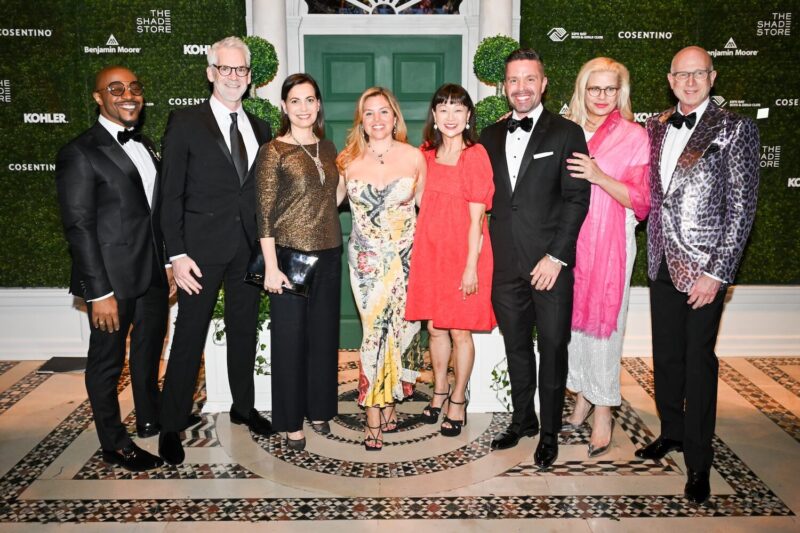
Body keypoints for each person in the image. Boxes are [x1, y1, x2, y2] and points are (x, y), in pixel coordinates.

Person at [637, 46, 759, 504]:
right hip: (661, 261)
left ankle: (699, 462)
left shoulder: (736, 128)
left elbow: (743, 209)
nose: (689, 82)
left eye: (698, 74)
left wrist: (718, 272)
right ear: (671, 80)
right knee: (665, 356)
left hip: (706, 267)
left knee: (698, 362)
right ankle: (671, 432)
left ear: (712, 76)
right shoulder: (654, 125)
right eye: (681, 75)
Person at [158, 36, 273, 465]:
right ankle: (171, 424)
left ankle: (243, 408)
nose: (234, 77)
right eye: (226, 69)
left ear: (249, 76)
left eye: (241, 70)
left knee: (245, 330)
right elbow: (168, 195)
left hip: (246, 250)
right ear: (210, 73)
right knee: (189, 336)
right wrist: (177, 254)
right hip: (199, 255)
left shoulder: (259, 127)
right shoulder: (186, 123)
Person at [55, 66, 172, 471]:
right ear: (98, 97)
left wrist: (168, 262)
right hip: (110, 281)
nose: (129, 95)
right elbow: (79, 227)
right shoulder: (80, 151)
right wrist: (97, 291)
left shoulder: (146, 144)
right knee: (107, 363)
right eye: (116, 89)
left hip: (153, 273)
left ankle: (151, 416)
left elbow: (154, 214)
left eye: (135, 88)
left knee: (148, 350)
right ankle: (114, 442)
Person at [478, 49, 590, 468]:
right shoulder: (488, 136)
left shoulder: (567, 133)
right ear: (503, 86)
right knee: (517, 347)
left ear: (543, 84)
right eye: (513, 80)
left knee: (554, 348)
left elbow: (578, 200)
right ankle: (523, 419)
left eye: (529, 80)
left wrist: (556, 257)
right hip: (505, 265)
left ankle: (548, 433)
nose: (521, 88)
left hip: (550, 266)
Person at [560, 58, 650, 457]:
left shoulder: (634, 136)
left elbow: (642, 201)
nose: (601, 97)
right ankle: (581, 394)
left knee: (606, 326)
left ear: (621, 93)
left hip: (610, 242)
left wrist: (598, 175)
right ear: (582, 90)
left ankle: (604, 408)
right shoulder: (566, 131)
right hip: (568, 241)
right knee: (573, 325)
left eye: (609, 89)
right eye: (594, 89)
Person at [256, 73, 345, 451]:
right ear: (284, 106)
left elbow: (334, 196)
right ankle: (291, 421)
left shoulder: (327, 147)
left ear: (319, 105)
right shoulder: (273, 151)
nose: (304, 108)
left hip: (329, 252)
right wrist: (271, 267)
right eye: (296, 100)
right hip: (289, 257)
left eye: (310, 100)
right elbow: (263, 213)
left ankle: (319, 409)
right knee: (291, 342)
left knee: (324, 339)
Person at [336, 87, 426, 451]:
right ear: (361, 120)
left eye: (383, 112)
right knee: (374, 333)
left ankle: (389, 400)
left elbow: (430, 212)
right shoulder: (346, 160)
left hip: (406, 258)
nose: (376, 119)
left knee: (402, 332)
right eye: (368, 113)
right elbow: (325, 204)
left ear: (395, 117)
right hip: (366, 262)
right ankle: (373, 412)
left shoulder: (415, 158)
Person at [406, 83, 496, 437]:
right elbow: (415, 201)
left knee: (459, 329)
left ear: (468, 116)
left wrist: (471, 266)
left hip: (464, 254)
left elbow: (478, 219)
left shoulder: (475, 156)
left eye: (458, 109)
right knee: (435, 327)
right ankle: (439, 389)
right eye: (443, 109)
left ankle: (458, 399)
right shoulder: (424, 154)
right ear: (433, 116)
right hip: (431, 252)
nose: (450, 117)